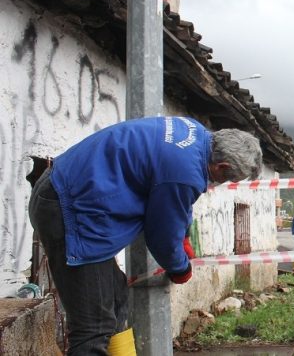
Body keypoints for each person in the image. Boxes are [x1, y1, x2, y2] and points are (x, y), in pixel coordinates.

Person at [28, 116, 262, 355]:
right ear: (221, 167)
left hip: (68, 196)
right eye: (227, 179)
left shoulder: (194, 134)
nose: (220, 183)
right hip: (69, 211)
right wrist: (180, 267)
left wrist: (183, 237)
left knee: (117, 296)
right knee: (93, 326)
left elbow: (173, 202)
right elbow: (161, 236)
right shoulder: (185, 171)